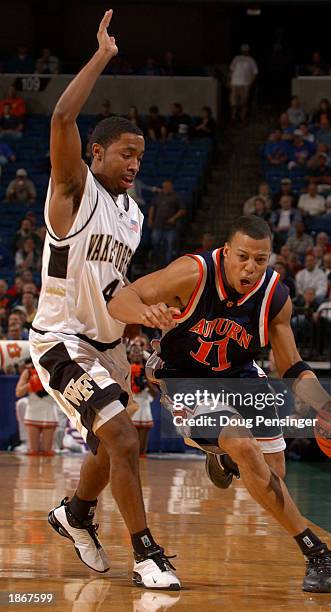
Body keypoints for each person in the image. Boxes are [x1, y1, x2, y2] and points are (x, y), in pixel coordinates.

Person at [28, 11, 180, 590]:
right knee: (119, 437)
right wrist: (103, 56)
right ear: (94, 155)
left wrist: (145, 315)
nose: (135, 164)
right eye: (125, 153)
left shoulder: (133, 216)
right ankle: (145, 552)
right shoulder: (74, 189)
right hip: (62, 339)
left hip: (108, 341)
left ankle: (76, 513)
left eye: (140, 156)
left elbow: (114, 291)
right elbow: (63, 114)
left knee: (110, 444)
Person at [108, 215, 331, 593]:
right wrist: (145, 313)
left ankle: (222, 457)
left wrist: (326, 405)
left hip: (240, 376)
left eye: (260, 260)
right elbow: (121, 299)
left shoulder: (275, 297)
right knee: (243, 445)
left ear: (270, 260)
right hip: (185, 377)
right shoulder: (192, 273)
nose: (250, 268)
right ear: (227, 252)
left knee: (274, 470)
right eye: (243, 257)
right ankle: (317, 552)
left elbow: (292, 365)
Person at [16, 361, 58, 456]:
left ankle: (48, 471)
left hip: (49, 412)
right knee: (33, 452)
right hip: (33, 412)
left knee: (47, 453)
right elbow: (18, 393)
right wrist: (31, 384)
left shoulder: (55, 369)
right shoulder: (29, 371)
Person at [148, 180, 186, 266]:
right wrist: (150, 219)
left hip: (170, 227)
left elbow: (182, 210)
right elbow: (153, 207)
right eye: (164, 187)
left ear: (171, 187)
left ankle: (167, 265)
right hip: (158, 225)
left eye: (167, 187)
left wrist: (174, 218)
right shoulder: (158, 196)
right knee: (155, 242)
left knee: (169, 246)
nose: (165, 188)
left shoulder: (176, 197)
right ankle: (156, 261)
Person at [129, 341, 154, 456]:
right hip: (130, 405)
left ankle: (142, 459)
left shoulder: (147, 372)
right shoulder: (125, 369)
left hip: (144, 404)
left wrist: (147, 380)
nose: (136, 355)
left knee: (142, 445)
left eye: (139, 353)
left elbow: (155, 394)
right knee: (129, 438)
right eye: (134, 353)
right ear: (129, 355)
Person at [229, 44, 258, 123]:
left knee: (244, 102)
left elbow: (254, 73)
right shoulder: (236, 58)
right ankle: (233, 118)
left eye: (246, 50)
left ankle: (243, 118)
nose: (245, 52)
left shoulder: (251, 60)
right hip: (235, 83)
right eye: (243, 50)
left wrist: (250, 84)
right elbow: (231, 70)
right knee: (234, 102)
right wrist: (230, 82)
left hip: (245, 84)